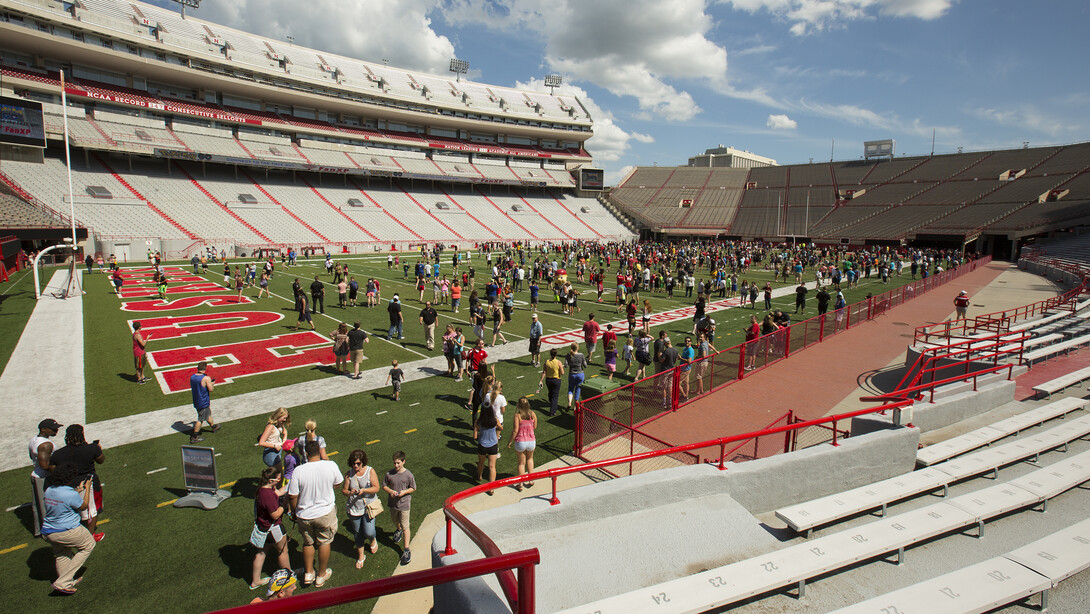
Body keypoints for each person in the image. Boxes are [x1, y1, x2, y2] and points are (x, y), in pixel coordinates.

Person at [287, 440, 342, 588]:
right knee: (324, 542)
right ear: (320, 451)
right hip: (325, 513)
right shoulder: (331, 465)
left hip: (304, 515)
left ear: (305, 453)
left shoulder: (299, 470)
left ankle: (309, 573)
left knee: (308, 542)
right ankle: (321, 574)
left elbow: (292, 495)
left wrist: (293, 511)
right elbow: (338, 483)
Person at [40, 462, 95, 595]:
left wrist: (77, 491)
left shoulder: (49, 490)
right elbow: (83, 505)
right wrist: (87, 488)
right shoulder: (70, 494)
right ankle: (63, 581)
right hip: (67, 531)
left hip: (49, 532)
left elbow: (63, 499)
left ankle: (67, 583)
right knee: (89, 545)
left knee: (62, 554)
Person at [50, 425, 105, 540]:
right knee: (91, 511)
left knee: (73, 511)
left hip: (67, 485)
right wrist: (98, 448)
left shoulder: (58, 454)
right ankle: (89, 538)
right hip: (87, 483)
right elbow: (101, 460)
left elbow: (52, 470)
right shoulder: (92, 448)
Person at [250, 465, 290, 590]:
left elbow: (278, 493)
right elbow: (275, 514)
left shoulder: (263, 490)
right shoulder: (267, 495)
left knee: (261, 553)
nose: (279, 481)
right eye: (278, 480)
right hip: (273, 529)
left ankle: (255, 581)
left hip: (263, 528)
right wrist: (284, 504)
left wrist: (289, 486)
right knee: (283, 552)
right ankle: (288, 576)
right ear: (271, 480)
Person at [342, 449, 380, 568]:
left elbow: (376, 488)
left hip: (368, 507)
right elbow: (344, 490)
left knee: (369, 531)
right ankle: (361, 556)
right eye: (354, 463)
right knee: (358, 533)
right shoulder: (349, 474)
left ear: (363, 462)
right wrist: (349, 493)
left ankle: (372, 539)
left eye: (358, 463)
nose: (356, 466)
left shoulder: (370, 471)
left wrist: (364, 491)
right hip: (354, 509)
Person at [29, 418, 62, 537]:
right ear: (43, 429)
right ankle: (48, 532)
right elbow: (44, 465)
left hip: (36, 474)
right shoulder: (46, 444)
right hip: (44, 477)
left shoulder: (33, 440)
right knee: (46, 506)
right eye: (53, 429)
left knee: (37, 506)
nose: (56, 430)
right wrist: (59, 470)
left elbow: (32, 458)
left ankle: (39, 530)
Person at [383, 451, 416, 566]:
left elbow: (413, 488)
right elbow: (384, 486)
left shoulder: (408, 475)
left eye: (398, 463)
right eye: (394, 463)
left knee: (406, 525)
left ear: (403, 462)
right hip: (393, 504)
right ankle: (398, 529)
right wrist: (391, 491)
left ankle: (406, 549)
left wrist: (404, 492)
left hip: (405, 504)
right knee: (395, 520)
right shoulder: (389, 474)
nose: (396, 465)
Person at [506, 396, 537, 491]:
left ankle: (520, 484)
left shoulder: (517, 416)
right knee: (530, 459)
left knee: (521, 463)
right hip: (531, 441)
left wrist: (510, 441)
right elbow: (535, 426)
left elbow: (515, 430)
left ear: (518, 405)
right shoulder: (533, 414)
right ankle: (531, 480)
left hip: (521, 442)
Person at [474, 398, 501, 496]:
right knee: (492, 466)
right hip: (493, 444)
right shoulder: (494, 420)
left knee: (481, 462)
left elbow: (475, 436)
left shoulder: (478, 421)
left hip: (482, 444)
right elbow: (501, 427)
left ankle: (479, 476)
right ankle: (491, 488)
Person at [189, 362, 218, 444]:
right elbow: (211, 389)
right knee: (201, 418)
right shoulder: (206, 378)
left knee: (207, 414)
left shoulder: (193, 377)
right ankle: (194, 437)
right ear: (205, 368)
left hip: (196, 400)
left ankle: (214, 427)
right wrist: (212, 384)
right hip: (203, 401)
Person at [565, 342, 587, 410]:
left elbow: (565, 365)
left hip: (572, 374)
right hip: (580, 374)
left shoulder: (568, 355)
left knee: (570, 389)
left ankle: (569, 402)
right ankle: (575, 406)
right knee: (578, 389)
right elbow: (585, 365)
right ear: (577, 348)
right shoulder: (581, 355)